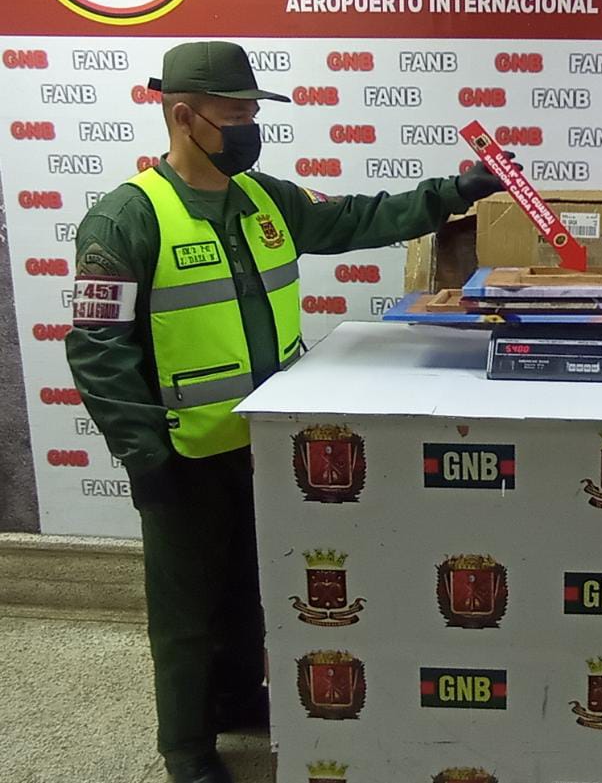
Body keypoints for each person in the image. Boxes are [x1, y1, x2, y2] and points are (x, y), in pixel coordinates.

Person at [64, 41, 508, 783]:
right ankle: (187, 750)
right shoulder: (124, 220)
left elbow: (359, 219)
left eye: (251, 112)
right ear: (183, 115)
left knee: (251, 588)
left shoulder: (266, 200)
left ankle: (239, 700)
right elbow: (98, 348)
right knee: (185, 614)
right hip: (183, 454)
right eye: (234, 114)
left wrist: (451, 193)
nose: (248, 126)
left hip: (267, 444)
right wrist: (143, 455)